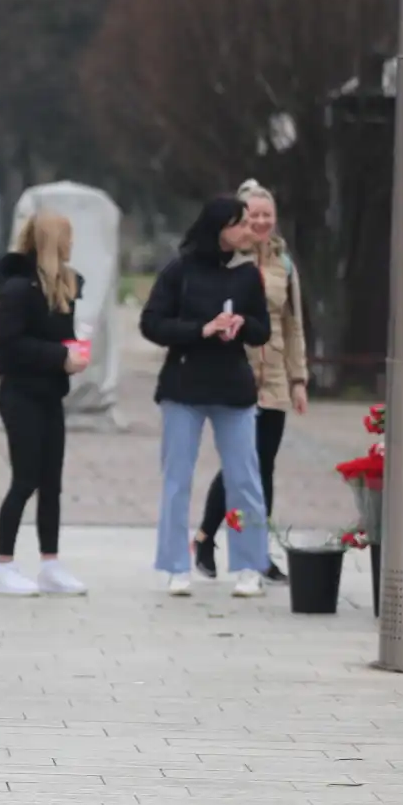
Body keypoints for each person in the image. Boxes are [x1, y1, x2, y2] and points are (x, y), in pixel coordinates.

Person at [141, 195, 270, 599]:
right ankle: (176, 565)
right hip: (184, 386)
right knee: (177, 478)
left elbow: (263, 330)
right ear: (220, 227)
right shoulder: (180, 271)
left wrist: (240, 323)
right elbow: (152, 324)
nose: (249, 229)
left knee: (245, 478)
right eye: (241, 223)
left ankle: (250, 564)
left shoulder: (249, 275)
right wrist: (201, 329)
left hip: (233, 388)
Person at [192, 179, 308, 583]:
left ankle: (258, 551)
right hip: (233, 369)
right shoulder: (227, 261)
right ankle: (206, 536)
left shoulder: (284, 264)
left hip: (274, 373)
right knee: (239, 464)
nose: (259, 222)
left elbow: (294, 325)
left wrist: (298, 378)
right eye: (252, 215)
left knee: (265, 466)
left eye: (266, 215)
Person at [0, 212, 89, 596]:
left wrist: (73, 352)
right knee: (25, 480)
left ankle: (51, 563)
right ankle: (3, 565)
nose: (71, 244)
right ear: (51, 240)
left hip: (50, 395)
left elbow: (55, 339)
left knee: (52, 484)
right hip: (20, 396)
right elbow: (8, 348)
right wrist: (58, 357)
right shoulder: (17, 290)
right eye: (67, 236)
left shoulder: (64, 285)